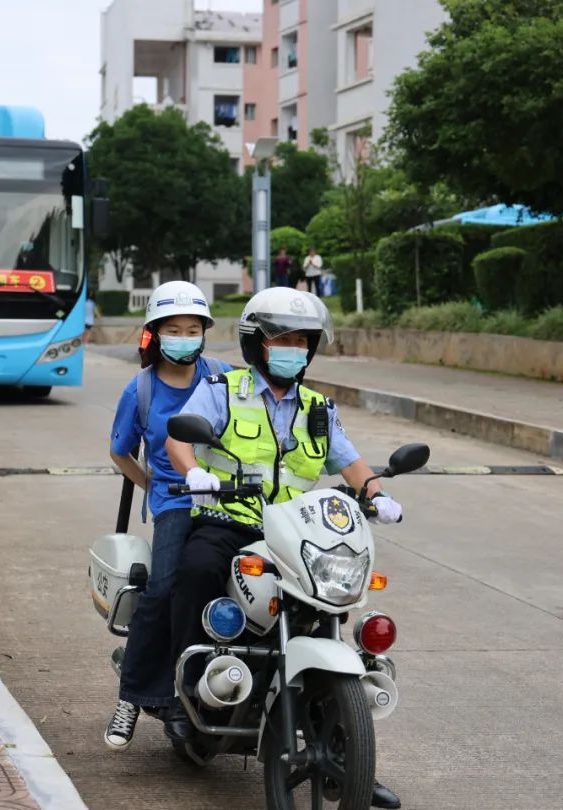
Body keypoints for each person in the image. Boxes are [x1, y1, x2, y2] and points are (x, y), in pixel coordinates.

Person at [163, 287, 403, 809]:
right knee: (196, 569)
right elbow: (177, 440)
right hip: (230, 521)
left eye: (301, 340)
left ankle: (348, 758)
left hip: (295, 531)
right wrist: (197, 472)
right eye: (282, 340)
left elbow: (350, 460)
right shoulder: (222, 389)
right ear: (257, 345)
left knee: (330, 604)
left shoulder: (319, 408)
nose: (293, 348)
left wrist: (376, 494)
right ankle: (181, 694)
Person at [103, 281, 231, 752]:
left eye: (192, 328)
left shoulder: (222, 376)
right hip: (176, 504)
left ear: (204, 333)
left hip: (227, 500)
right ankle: (132, 696)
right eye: (172, 329)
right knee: (163, 589)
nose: (183, 336)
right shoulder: (139, 389)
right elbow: (120, 453)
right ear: (155, 334)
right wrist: (153, 486)